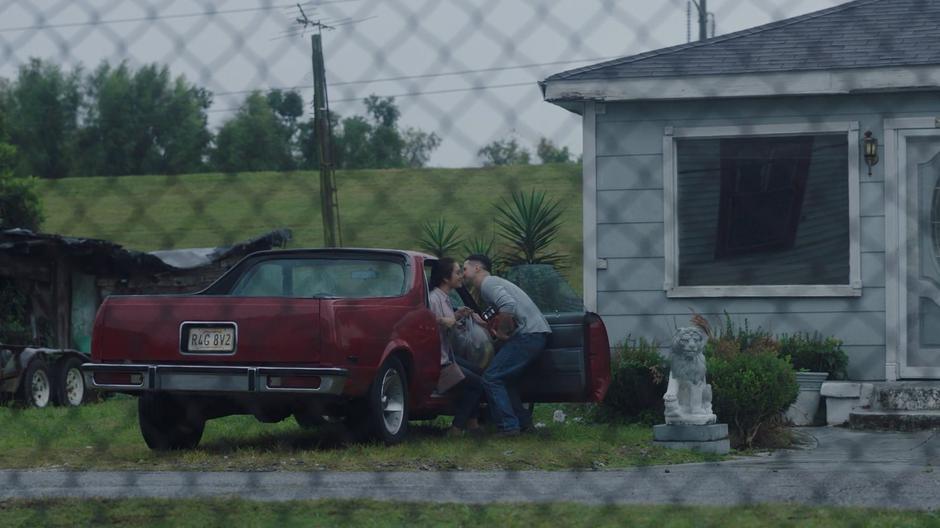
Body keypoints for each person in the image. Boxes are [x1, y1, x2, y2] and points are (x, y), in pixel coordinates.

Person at [462, 254, 551, 436]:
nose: (463, 273)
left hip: (528, 335)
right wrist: (485, 324)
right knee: (505, 379)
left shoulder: (488, 283)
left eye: (465, 269)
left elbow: (507, 304)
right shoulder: (495, 283)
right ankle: (523, 424)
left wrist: (502, 333)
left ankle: (508, 427)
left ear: (477, 268)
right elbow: (506, 310)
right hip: (535, 333)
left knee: (491, 378)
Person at [428, 257, 485, 435]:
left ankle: (472, 421)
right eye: (458, 272)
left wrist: (458, 316)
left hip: (447, 355)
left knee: (479, 371)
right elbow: (429, 321)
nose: (461, 276)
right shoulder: (434, 299)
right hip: (440, 361)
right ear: (446, 278)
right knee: (477, 384)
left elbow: (448, 323)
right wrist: (446, 320)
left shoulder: (444, 298)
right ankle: (458, 427)